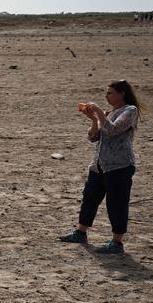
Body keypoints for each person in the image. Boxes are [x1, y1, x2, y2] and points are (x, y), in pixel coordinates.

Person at [59, 80, 141, 254]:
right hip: (99, 165)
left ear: (122, 94)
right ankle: (81, 232)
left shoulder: (130, 111)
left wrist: (98, 112)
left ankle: (117, 242)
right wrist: (94, 120)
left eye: (110, 93)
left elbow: (113, 130)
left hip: (119, 165)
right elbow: (93, 138)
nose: (107, 96)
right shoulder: (109, 112)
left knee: (116, 203)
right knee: (89, 198)